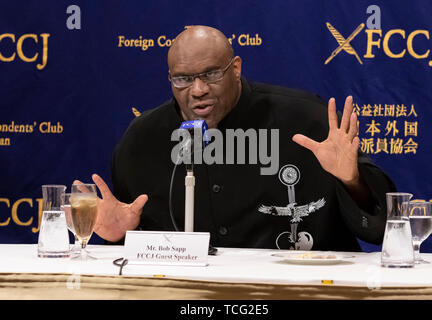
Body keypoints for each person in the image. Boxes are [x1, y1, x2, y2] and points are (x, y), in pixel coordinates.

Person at [83, 25, 396, 251]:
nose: (198, 90)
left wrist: (352, 180)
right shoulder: (142, 141)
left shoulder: (304, 119)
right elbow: (139, 252)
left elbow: (383, 228)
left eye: (210, 74)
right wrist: (121, 235)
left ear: (235, 68)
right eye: (183, 79)